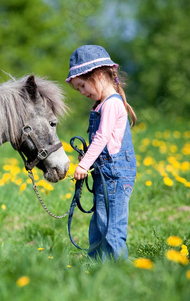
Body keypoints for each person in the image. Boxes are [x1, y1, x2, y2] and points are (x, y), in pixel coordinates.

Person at [65, 45, 137, 261]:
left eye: (82, 85)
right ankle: (96, 265)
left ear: (97, 75)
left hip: (114, 176)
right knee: (98, 223)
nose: (82, 92)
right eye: (78, 89)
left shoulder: (112, 104)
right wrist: (88, 157)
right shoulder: (102, 104)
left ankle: (118, 269)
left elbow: (102, 138)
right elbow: (103, 144)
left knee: (111, 227)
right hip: (105, 174)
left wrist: (84, 164)